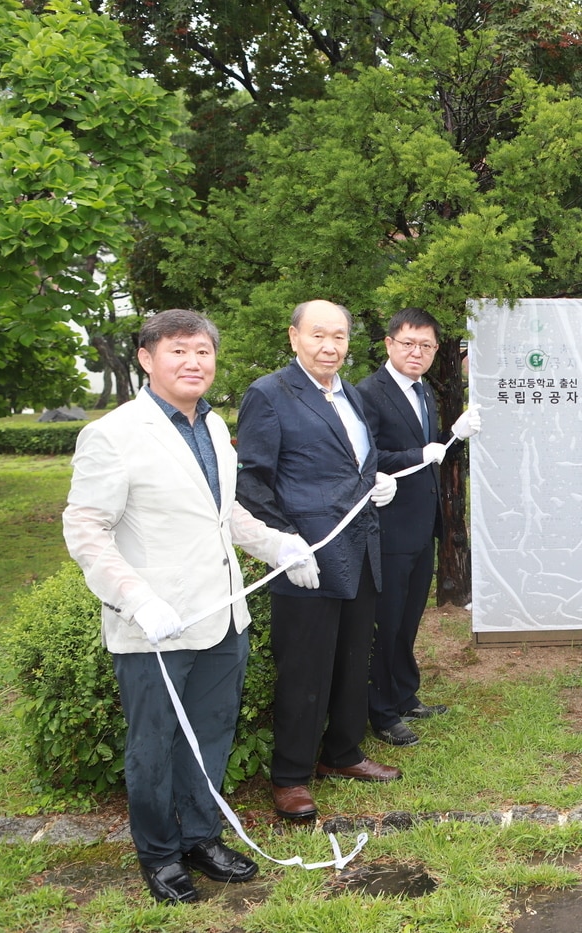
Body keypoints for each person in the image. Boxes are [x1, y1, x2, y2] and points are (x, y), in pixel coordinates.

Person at [64, 309, 315, 904]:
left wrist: (277, 543)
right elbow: (86, 528)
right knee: (153, 742)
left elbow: (222, 513)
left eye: (202, 351)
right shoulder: (113, 434)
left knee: (210, 732)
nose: (192, 362)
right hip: (154, 623)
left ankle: (201, 836)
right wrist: (135, 597)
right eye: (178, 351)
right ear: (147, 359)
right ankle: (158, 853)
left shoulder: (212, 426)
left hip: (222, 614)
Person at [235, 299, 401, 823]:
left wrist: (376, 480)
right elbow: (252, 482)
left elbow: (352, 461)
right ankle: (290, 775)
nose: (330, 346)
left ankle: (343, 752)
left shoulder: (347, 393)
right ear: (294, 337)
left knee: (354, 658)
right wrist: (285, 543)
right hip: (306, 554)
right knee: (304, 668)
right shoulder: (269, 394)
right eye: (318, 335)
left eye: (340, 337)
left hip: (360, 549)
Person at [357, 307, 480, 747]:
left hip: (420, 524)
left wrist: (453, 436)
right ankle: (382, 711)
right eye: (408, 343)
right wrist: (417, 455)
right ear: (389, 344)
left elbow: (431, 448)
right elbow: (366, 458)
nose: (418, 352)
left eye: (426, 346)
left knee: (409, 618)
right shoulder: (368, 393)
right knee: (386, 621)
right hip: (388, 527)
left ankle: (405, 693)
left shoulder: (424, 391)